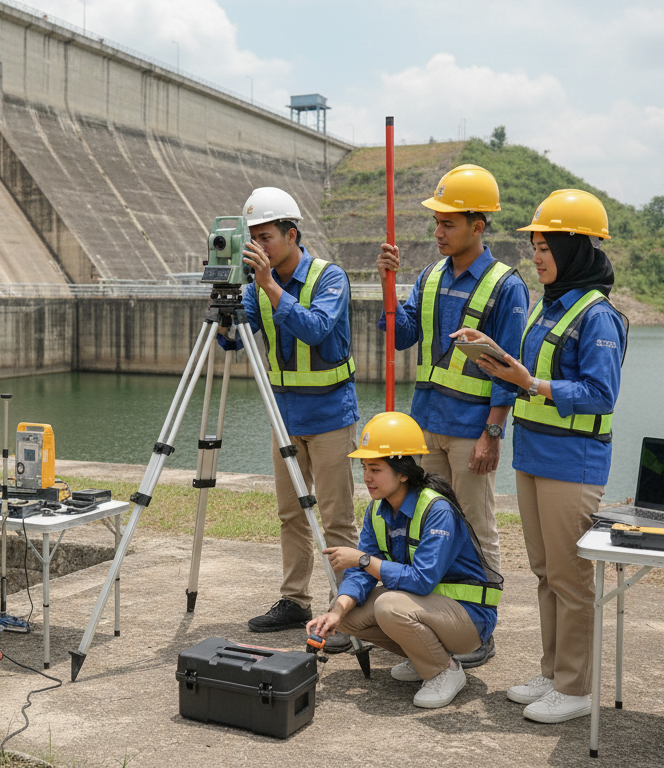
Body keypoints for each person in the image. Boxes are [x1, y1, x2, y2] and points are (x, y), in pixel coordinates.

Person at [454, 189, 627, 724]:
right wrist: (495, 355)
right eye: (534, 245)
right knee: (546, 572)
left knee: (572, 579)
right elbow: (530, 373)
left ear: (577, 248)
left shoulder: (599, 316)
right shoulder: (549, 305)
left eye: (547, 245)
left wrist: (533, 384)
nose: (537, 255)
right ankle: (553, 673)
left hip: (572, 463)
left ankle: (576, 688)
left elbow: (601, 394)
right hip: (532, 457)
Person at [375, 163, 528, 667]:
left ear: (477, 226)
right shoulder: (430, 275)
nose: (438, 232)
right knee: (430, 528)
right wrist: (387, 283)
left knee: (478, 528)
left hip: (470, 432)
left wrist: (492, 432)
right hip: (427, 425)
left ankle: (480, 631)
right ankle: (435, 629)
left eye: (448, 224)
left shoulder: (506, 287)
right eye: (436, 223)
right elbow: (400, 336)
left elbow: (509, 368)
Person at [218, 186, 359, 649]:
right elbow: (235, 343)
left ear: (292, 233)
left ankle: (347, 609)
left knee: (337, 518)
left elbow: (317, 328)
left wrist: (271, 287)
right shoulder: (258, 289)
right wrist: (225, 316)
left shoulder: (329, 277)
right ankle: (295, 599)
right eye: (251, 238)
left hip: (331, 416)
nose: (257, 247)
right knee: (291, 514)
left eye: (265, 237)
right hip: (285, 417)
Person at [306, 411, 501, 709]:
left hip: (470, 617)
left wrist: (361, 560)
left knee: (388, 606)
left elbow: (421, 580)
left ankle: (444, 671)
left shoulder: (437, 510)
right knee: (349, 617)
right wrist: (337, 610)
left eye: (375, 468)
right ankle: (424, 656)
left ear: (403, 472)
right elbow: (363, 576)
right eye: (364, 468)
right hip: (430, 608)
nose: (367, 477)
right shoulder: (378, 510)